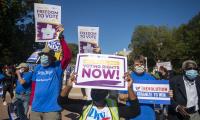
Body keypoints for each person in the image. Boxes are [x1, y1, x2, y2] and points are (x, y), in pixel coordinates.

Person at [29, 25, 72, 120]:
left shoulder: (57, 67)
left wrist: (61, 38)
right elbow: (33, 89)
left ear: (51, 58)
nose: (43, 57)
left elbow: (68, 57)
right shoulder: (37, 68)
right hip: (35, 109)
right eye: (42, 54)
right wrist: (30, 106)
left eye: (46, 55)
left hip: (52, 110)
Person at [58, 72, 140, 120]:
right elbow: (62, 102)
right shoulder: (85, 106)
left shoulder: (114, 107)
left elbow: (135, 111)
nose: (97, 93)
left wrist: (129, 87)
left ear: (106, 94)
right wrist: (69, 85)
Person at [119, 55, 156, 120]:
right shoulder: (127, 78)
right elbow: (120, 96)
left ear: (144, 64)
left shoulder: (151, 78)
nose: (139, 65)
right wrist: (133, 95)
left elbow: (160, 95)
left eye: (141, 63)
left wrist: (167, 94)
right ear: (133, 65)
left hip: (149, 116)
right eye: (137, 64)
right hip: (132, 116)